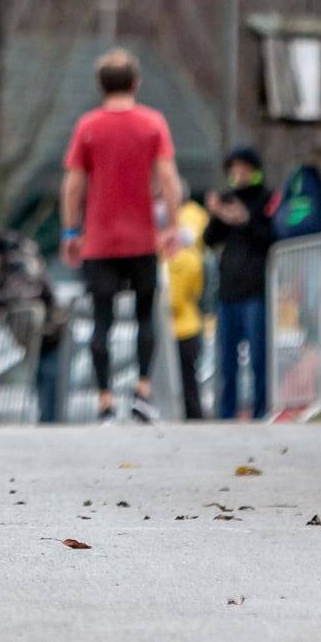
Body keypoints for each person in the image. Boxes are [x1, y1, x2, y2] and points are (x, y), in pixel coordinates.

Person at [60, 48, 183, 424]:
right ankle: (143, 392)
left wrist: (71, 230)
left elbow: (74, 184)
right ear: (136, 82)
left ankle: (104, 401)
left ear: (100, 86)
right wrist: (171, 226)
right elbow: (167, 178)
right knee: (145, 315)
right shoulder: (152, 123)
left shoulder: (88, 127)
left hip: (99, 240)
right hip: (142, 238)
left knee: (102, 321)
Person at [205, 146, 278, 420]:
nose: (239, 174)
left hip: (255, 291)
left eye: (243, 168)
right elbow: (209, 239)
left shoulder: (265, 199)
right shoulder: (228, 198)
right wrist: (219, 214)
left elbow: (270, 237)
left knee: (259, 359)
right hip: (228, 292)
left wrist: (245, 220)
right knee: (227, 362)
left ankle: (260, 411)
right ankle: (227, 413)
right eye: (234, 169)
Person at [0, 227, 66, 423]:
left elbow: (27, 293)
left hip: (50, 333)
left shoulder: (18, 263)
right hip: (32, 338)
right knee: (42, 382)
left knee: (50, 383)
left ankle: (50, 427)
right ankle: (47, 423)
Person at [167, 193, 211, 420]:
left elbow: (174, 299)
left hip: (179, 327)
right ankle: (191, 417)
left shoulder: (181, 260)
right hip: (189, 324)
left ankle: (191, 418)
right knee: (187, 379)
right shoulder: (193, 258)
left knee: (184, 379)